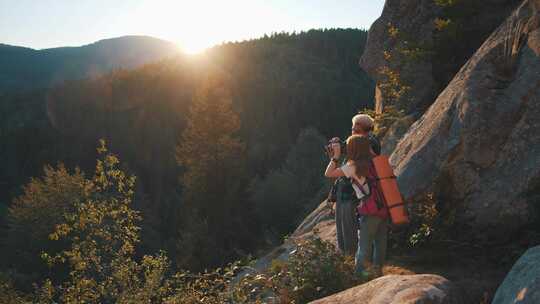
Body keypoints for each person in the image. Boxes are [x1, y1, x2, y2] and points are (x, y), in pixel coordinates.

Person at [325, 134, 388, 279]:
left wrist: (335, 157)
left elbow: (329, 173)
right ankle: (378, 273)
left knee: (364, 245)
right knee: (380, 243)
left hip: (370, 210)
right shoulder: (375, 161)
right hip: (384, 208)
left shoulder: (353, 166)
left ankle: (360, 276)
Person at [326, 114, 380, 256]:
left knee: (349, 231)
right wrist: (336, 146)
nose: (352, 132)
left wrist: (337, 154)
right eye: (352, 129)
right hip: (343, 193)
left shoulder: (370, 142)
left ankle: (353, 262)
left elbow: (357, 151)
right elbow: (348, 147)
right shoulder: (359, 141)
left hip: (353, 195)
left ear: (364, 129)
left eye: (355, 129)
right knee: (342, 230)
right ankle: (348, 260)